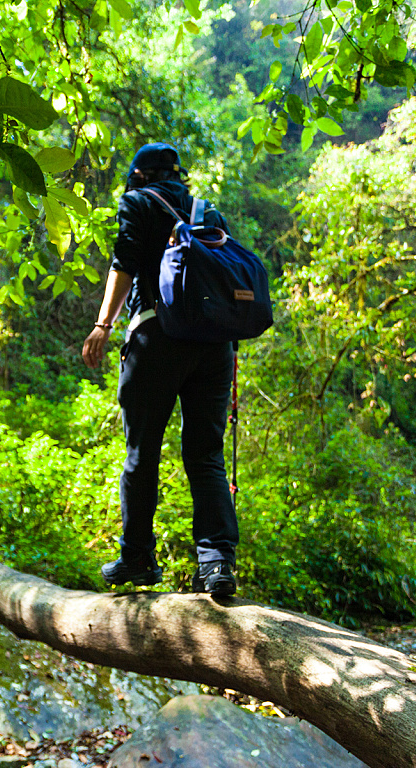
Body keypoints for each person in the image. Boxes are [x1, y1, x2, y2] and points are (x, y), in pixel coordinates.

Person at [81, 142, 239, 598]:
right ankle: (216, 564)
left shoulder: (137, 202)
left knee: (141, 452)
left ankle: (137, 558)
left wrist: (102, 324)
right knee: (206, 454)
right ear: (178, 176)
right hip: (214, 347)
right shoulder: (208, 212)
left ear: (139, 176)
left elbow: (124, 263)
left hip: (156, 337)